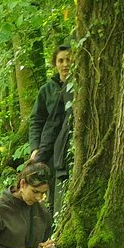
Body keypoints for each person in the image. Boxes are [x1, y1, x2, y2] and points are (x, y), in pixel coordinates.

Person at [28, 44, 71, 172]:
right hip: (49, 149)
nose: (65, 64)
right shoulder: (46, 90)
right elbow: (36, 120)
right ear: (55, 64)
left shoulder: (80, 87)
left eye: (68, 60)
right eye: (60, 60)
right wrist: (35, 147)